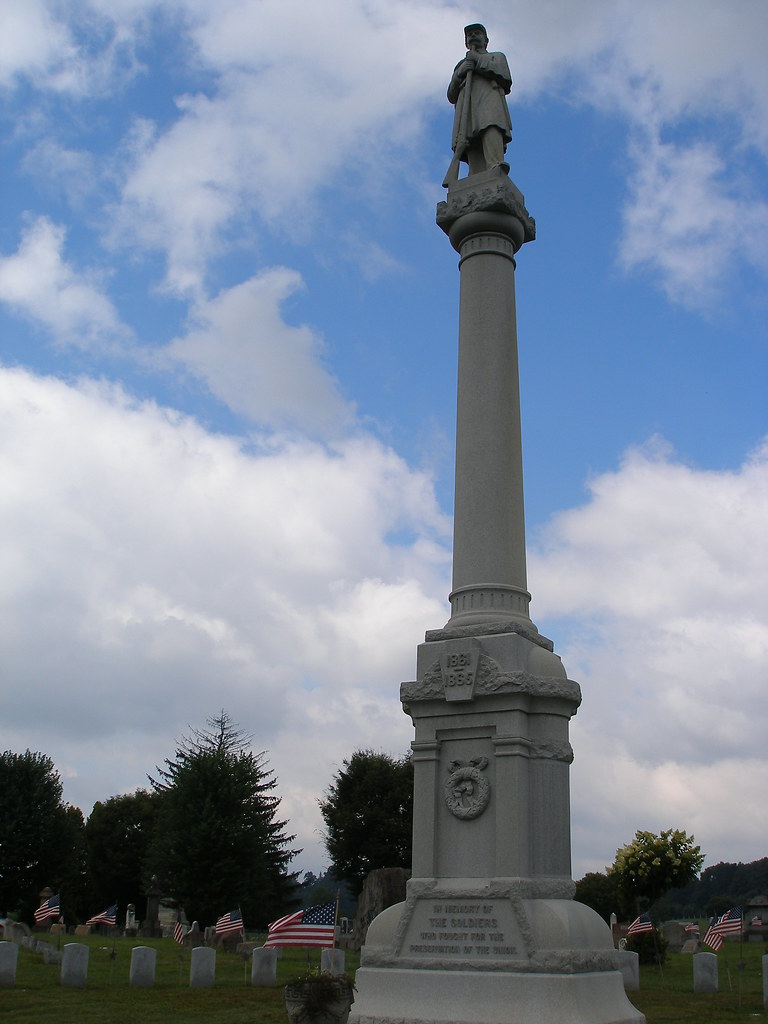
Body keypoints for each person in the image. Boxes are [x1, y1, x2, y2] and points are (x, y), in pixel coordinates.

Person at [447, 23, 512, 176]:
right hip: (467, 107)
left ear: (486, 40)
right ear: (466, 42)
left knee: (491, 126)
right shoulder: (461, 66)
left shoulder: (496, 57)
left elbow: (505, 77)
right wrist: (459, 74)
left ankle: (495, 164)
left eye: (477, 33)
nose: (473, 36)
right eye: (470, 35)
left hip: (489, 99)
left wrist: (477, 60)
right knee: (469, 139)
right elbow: (451, 94)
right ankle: (475, 175)